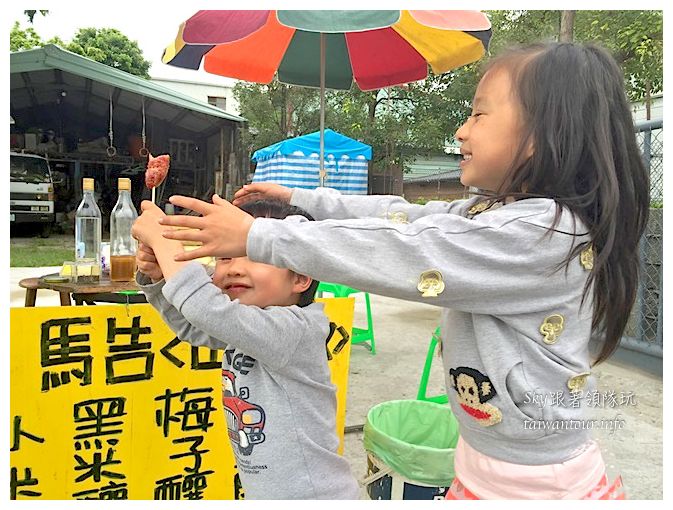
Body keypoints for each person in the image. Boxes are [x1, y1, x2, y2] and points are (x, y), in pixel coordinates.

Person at [154, 42, 649, 499]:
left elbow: (410, 250)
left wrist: (259, 237)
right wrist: (300, 199)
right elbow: (402, 218)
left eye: (478, 113)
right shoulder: (492, 215)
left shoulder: (546, 234)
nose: (461, 130)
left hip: (538, 486)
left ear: (544, 134)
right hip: (485, 464)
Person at [131, 199, 360, 500]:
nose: (235, 268)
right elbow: (192, 325)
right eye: (224, 257)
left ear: (301, 276)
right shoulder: (250, 325)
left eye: (255, 255)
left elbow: (205, 310)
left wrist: (164, 242)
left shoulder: (295, 330)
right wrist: (160, 277)